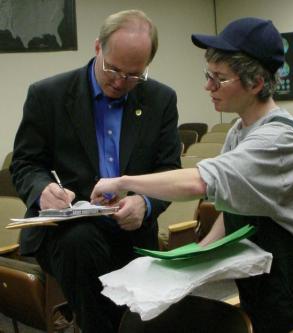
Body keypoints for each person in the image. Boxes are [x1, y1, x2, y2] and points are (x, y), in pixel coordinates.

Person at [91, 17, 293, 333]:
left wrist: (123, 181)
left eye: (219, 78)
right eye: (208, 75)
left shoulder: (277, 140)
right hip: (266, 295)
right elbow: (234, 203)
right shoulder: (240, 129)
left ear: (256, 83)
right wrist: (201, 253)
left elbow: (199, 182)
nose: (208, 86)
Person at [10, 10, 181, 333]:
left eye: (134, 75)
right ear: (97, 48)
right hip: (67, 232)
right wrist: (42, 189)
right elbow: (25, 164)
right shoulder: (48, 95)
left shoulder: (161, 99)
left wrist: (145, 204)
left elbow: (169, 170)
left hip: (131, 229)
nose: (120, 82)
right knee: (81, 244)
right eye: (113, 69)